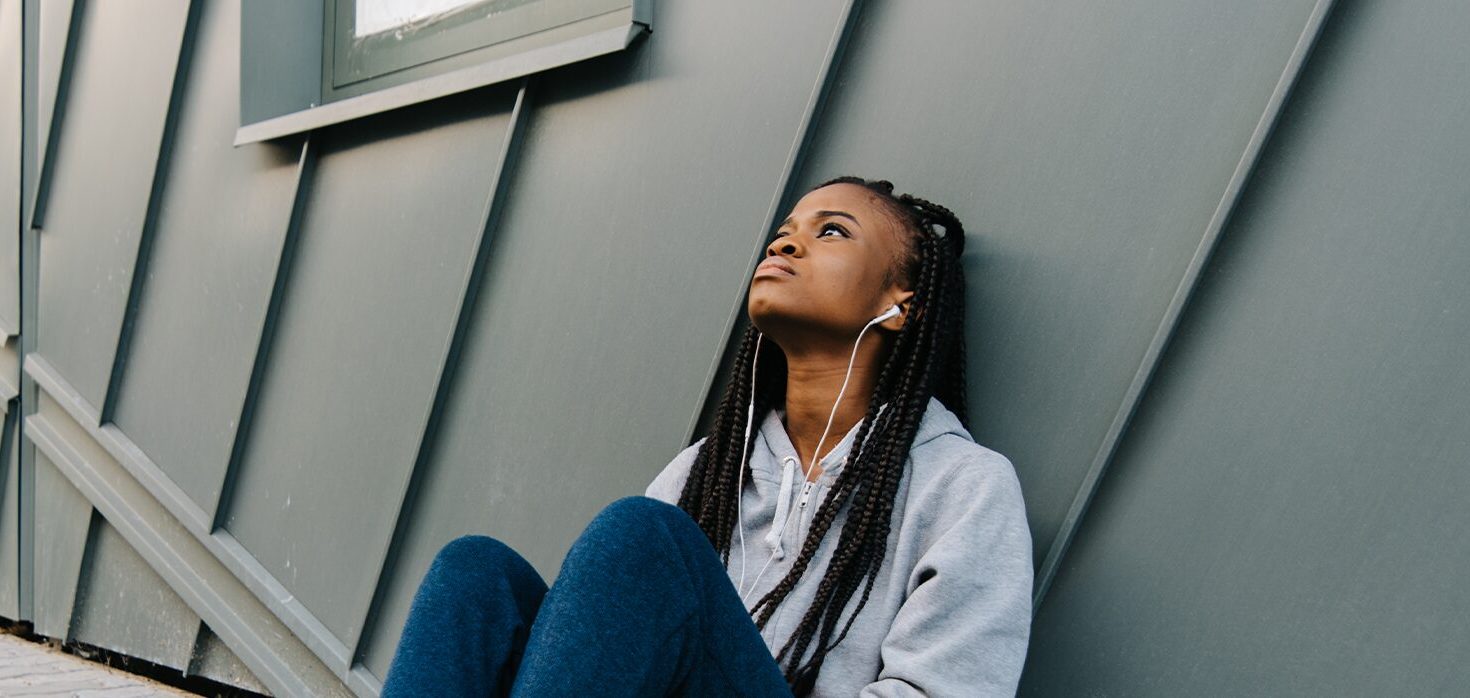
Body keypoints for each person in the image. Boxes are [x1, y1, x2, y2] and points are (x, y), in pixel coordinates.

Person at [381, 178, 1033, 697]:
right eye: (783, 233)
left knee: (640, 536)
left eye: (831, 231)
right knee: (476, 575)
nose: (785, 246)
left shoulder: (963, 486)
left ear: (901, 305)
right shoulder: (709, 469)